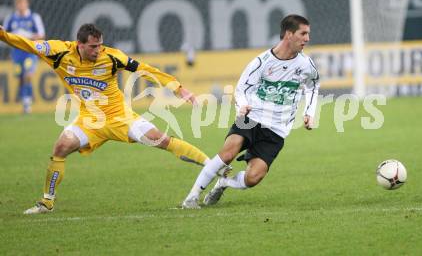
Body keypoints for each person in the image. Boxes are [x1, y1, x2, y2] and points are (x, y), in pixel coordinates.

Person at [0, 23, 230, 214]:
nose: (98, 50)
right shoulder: (57, 51)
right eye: (93, 46)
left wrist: (179, 89)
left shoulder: (112, 57)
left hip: (120, 117)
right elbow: (27, 44)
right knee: (61, 146)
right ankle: (47, 202)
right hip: (89, 120)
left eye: (100, 45)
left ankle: (213, 166)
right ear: (79, 45)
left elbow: (146, 69)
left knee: (161, 140)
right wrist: (3, 34)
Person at [181, 14, 320, 209]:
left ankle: (223, 183)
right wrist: (242, 106)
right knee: (227, 154)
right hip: (251, 118)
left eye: (308, 34)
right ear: (289, 34)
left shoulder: (306, 65)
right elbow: (242, 89)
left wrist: (309, 112)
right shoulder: (262, 62)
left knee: (254, 178)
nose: (307, 38)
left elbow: (313, 86)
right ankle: (193, 196)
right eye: (303, 33)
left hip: (277, 129)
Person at [3, 0, 45, 114]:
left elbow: (41, 35)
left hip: (29, 51)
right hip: (16, 52)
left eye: (23, 3)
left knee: (28, 75)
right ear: (16, 5)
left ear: (27, 4)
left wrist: (27, 36)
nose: (21, 6)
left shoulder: (34, 17)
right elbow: (4, 35)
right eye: (19, 3)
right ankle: (25, 103)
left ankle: (28, 104)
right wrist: (14, 36)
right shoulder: (11, 18)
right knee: (20, 77)